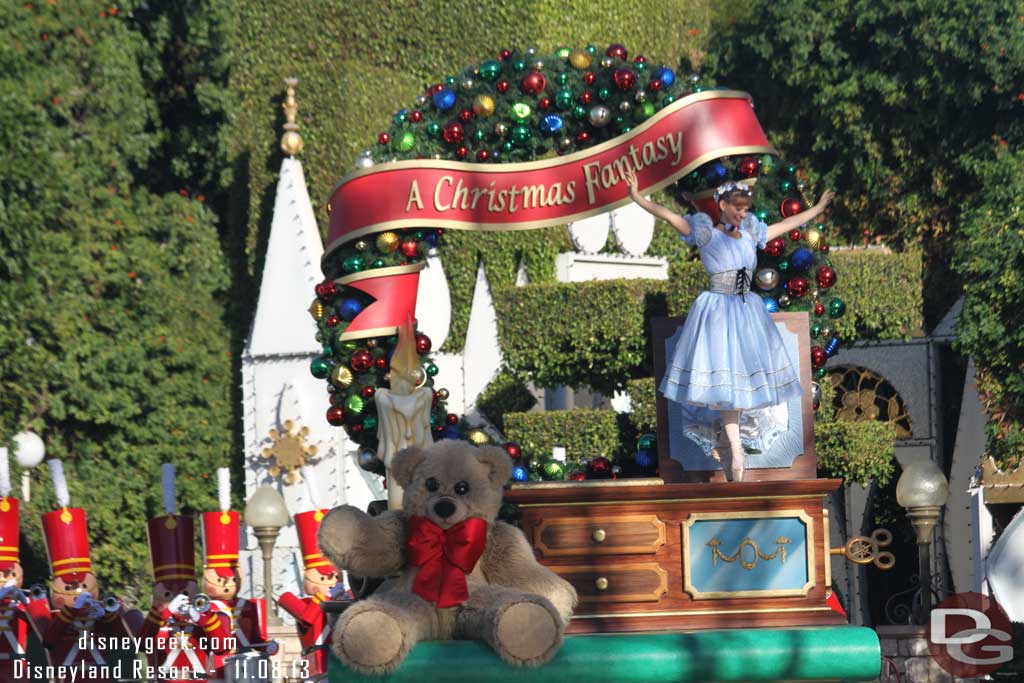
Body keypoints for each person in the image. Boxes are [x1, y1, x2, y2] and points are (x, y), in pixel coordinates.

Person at [623, 167, 835, 481]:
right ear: (722, 205)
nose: (741, 213)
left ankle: (729, 445)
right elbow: (668, 215)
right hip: (717, 312)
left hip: (747, 310)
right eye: (737, 207)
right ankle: (734, 448)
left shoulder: (751, 231)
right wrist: (637, 197)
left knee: (739, 387)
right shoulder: (705, 231)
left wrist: (816, 209)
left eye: (745, 208)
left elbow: (785, 224)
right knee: (726, 386)